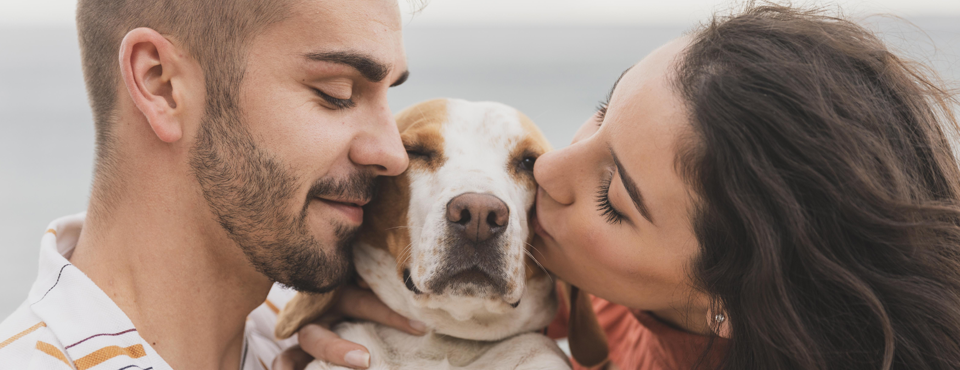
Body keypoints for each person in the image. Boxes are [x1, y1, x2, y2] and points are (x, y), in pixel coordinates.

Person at [289, 4, 960, 370]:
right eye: (602, 114)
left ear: (727, 294)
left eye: (614, 199)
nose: (547, 171)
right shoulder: (579, 295)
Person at [0, 0, 425, 369]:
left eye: (389, 95)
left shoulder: (321, 339)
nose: (393, 153)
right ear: (161, 84)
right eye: (337, 92)